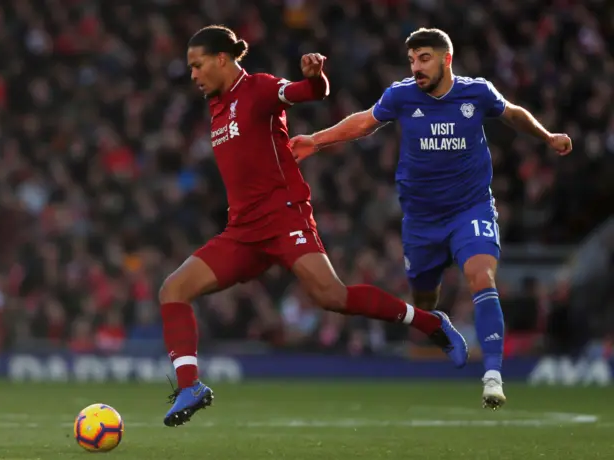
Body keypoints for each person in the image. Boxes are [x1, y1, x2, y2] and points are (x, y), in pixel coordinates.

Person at [160, 25, 469, 427]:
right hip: (242, 230)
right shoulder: (217, 106)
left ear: (222, 59)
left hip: (284, 215)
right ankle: (190, 387)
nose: (193, 75)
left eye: (197, 66)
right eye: (190, 68)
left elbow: (307, 93)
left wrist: (314, 77)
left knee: (332, 296)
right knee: (173, 289)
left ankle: (430, 322)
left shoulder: (259, 88)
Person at [290, 27, 572, 410]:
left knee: (481, 276)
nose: (416, 67)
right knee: (424, 298)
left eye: (424, 58)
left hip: (469, 208)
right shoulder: (401, 95)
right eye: (412, 60)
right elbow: (363, 122)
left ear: (446, 59)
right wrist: (317, 140)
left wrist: (547, 136)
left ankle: (492, 374)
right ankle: (437, 322)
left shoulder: (477, 92)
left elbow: (512, 114)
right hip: (421, 219)